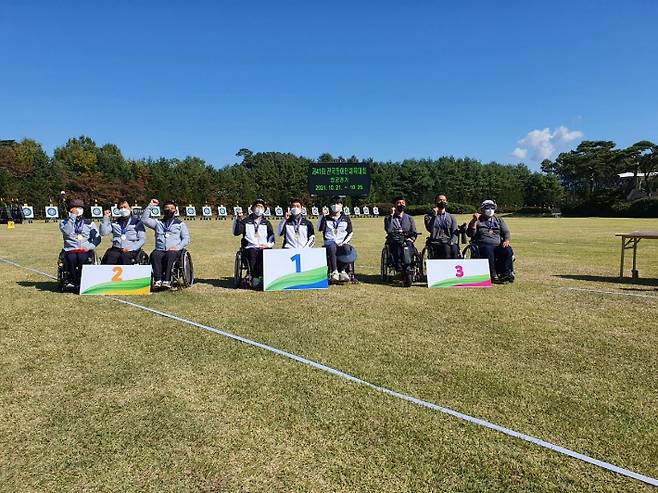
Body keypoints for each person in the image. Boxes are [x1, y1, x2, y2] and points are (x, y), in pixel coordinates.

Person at [142, 199, 191, 289]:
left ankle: (167, 280)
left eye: (171, 208)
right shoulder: (158, 223)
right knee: (154, 255)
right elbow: (144, 219)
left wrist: (177, 247)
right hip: (160, 250)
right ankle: (158, 280)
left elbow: (186, 239)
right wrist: (151, 205)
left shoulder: (180, 224)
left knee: (170, 254)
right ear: (163, 210)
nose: (169, 210)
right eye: (167, 208)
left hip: (174, 250)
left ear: (175, 211)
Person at [467, 199, 515, 283]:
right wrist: (474, 221)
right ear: (482, 209)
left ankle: (506, 273)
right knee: (488, 250)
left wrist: (506, 240)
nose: (490, 210)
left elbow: (506, 232)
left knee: (508, 250)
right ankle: (493, 275)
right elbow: (471, 234)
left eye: (492, 208)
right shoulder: (477, 219)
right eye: (487, 208)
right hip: (483, 245)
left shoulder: (498, 220)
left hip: (498, 245)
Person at [59, 199, 101, 290]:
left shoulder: (90, 223)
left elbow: (97, 238)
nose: (77, 210)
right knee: (72, 258)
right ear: (70, 210)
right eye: (75, 208)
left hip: (85, 249)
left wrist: (89, 247)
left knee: (82, 258)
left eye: (80, 208)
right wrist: (72, 217)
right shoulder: (64, 222)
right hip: (70, 249)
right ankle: (73, 281)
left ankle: (83, 280)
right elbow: (68, 232)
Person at [233, 198, 275, 288]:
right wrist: (238, 220)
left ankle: (264, 277)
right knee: (253, 252)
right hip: (250, 247)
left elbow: (272, 237)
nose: (259, 208)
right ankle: (254, 277)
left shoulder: (266, 223)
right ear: (252, 209)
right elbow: (236, 232)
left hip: (264, 247)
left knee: (266, 253)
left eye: (261, 206)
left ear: (264, 209)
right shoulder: (246, 221)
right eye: (257, 206)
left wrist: (267, 245)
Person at [318, 196, 354, 283]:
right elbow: (319, 228)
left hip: (342, 242)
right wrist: (321, 216)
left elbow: (350, 232)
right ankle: (334, 272)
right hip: (329, 242)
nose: (335, 205)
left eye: (338, 203)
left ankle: (342, 271)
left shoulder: (346, 218)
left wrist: (344, 242)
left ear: (341, 205)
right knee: (332, 246)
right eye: (333, 204)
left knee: (347, 248)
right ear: (330, 206)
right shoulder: (326, 218)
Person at [100, 199, 146, 264]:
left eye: (125, 207)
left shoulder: (137, 223)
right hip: (117, 248)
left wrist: (131, 248)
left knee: (125, 257)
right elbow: (103, 233)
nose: (123, 209)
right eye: (121, 208)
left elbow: (142, 239)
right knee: (110, 256)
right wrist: (106, 218)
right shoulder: (115, 223)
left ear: (130, 208)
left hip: (131, 249)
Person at [384, 196, 418, 276]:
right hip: (394, 240)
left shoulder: (410, 218)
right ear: (394, 205)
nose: (401, 205)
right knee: (397, 247)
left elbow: (414, 231)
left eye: (403, 203)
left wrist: (412, 239)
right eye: (399, 203)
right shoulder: (388, 218)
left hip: (407, 240)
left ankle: (409, 266)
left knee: (409, 247)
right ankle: (398, 268)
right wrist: (391, 216)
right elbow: (389, 230)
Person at [424, 193, 460, 259]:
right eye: (440, 200)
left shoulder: (451, 217)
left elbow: (455, 231)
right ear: (436, 202)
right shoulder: (428, 216)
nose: (442, 202)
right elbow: (430, 229)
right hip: (436, 241)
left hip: (448, 240)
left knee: (455, 249)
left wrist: (452, 241)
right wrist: (434, 216)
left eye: (444, 200)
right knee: (446, 249)